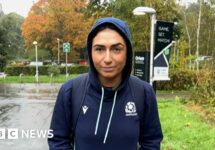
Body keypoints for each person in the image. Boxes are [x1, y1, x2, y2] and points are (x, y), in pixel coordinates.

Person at [48, 17, 163, 150]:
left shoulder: (144, 92)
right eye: (99, 49)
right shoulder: (70, 91)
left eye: (116, 49)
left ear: (128, 52)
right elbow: (58, 141)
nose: (107, 59)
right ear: (90, 52)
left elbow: (151, 142)